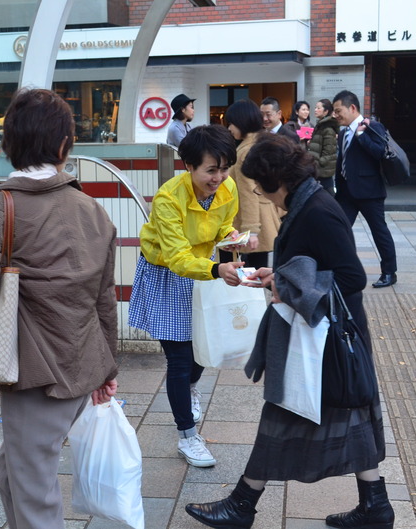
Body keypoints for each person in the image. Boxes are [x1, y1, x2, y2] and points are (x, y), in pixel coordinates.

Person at [184, 133, 392, 529]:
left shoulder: (317, 210)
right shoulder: (307, 202)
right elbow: (312, 266)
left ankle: (242, 505)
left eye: (260, 186)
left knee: (285, 413)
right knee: (351, 420)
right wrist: (278, 276)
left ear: (277, 179)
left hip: (325, 339)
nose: (261, 194)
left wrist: (285, 283)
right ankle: (375, 507)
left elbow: (352, 278)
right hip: (324, 335)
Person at [0, 88, 119, 529]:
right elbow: (104, 299)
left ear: (9, 145)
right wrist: (107, 370)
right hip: (82, 364)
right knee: (13, 470)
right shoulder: (92, 209)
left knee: (34, 494)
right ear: (64, 145)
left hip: (35, 373)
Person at [129, 124, 245, 468]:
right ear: (189, 166)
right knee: (179, 359)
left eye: (225, 169)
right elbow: (177, 257)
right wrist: (217, 270)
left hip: (204, 270)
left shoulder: (227, 188)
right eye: (211, 170)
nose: (219, 177)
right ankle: (188, 436)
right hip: (167, 273)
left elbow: (222, 227)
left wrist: (235, 238)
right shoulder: (168, 198)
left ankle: (190, 387)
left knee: (201, 347)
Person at [332, 90, 397, 288]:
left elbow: (379, 152)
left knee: (379, 232)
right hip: (346, 193)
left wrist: (361, 135)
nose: (335, 115)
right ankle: (338, 270)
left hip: (370, 192)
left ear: (352, 108)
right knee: (338, 231)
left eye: (338, 110)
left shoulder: (372, 126)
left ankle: (389, 272)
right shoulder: (343, 132)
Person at [224, 99, 280, 269]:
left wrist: (251, 230)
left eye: (231, 123)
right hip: (265, 217)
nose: (229, 128)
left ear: (242, 122)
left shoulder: (245, 151)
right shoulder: (261, 143)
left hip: (253, 220)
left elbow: (248, 192)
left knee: (253, 273)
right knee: (259, 270)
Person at [307, 98, 340, 195]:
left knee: (328, 196)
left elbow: (328, 152)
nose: (315, 110)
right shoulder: (321, 126)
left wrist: (317, 164)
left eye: (318, 108)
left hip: (322, 172)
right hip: (317, 170)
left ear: (326, 111)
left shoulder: (328, 129)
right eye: (315, 107)